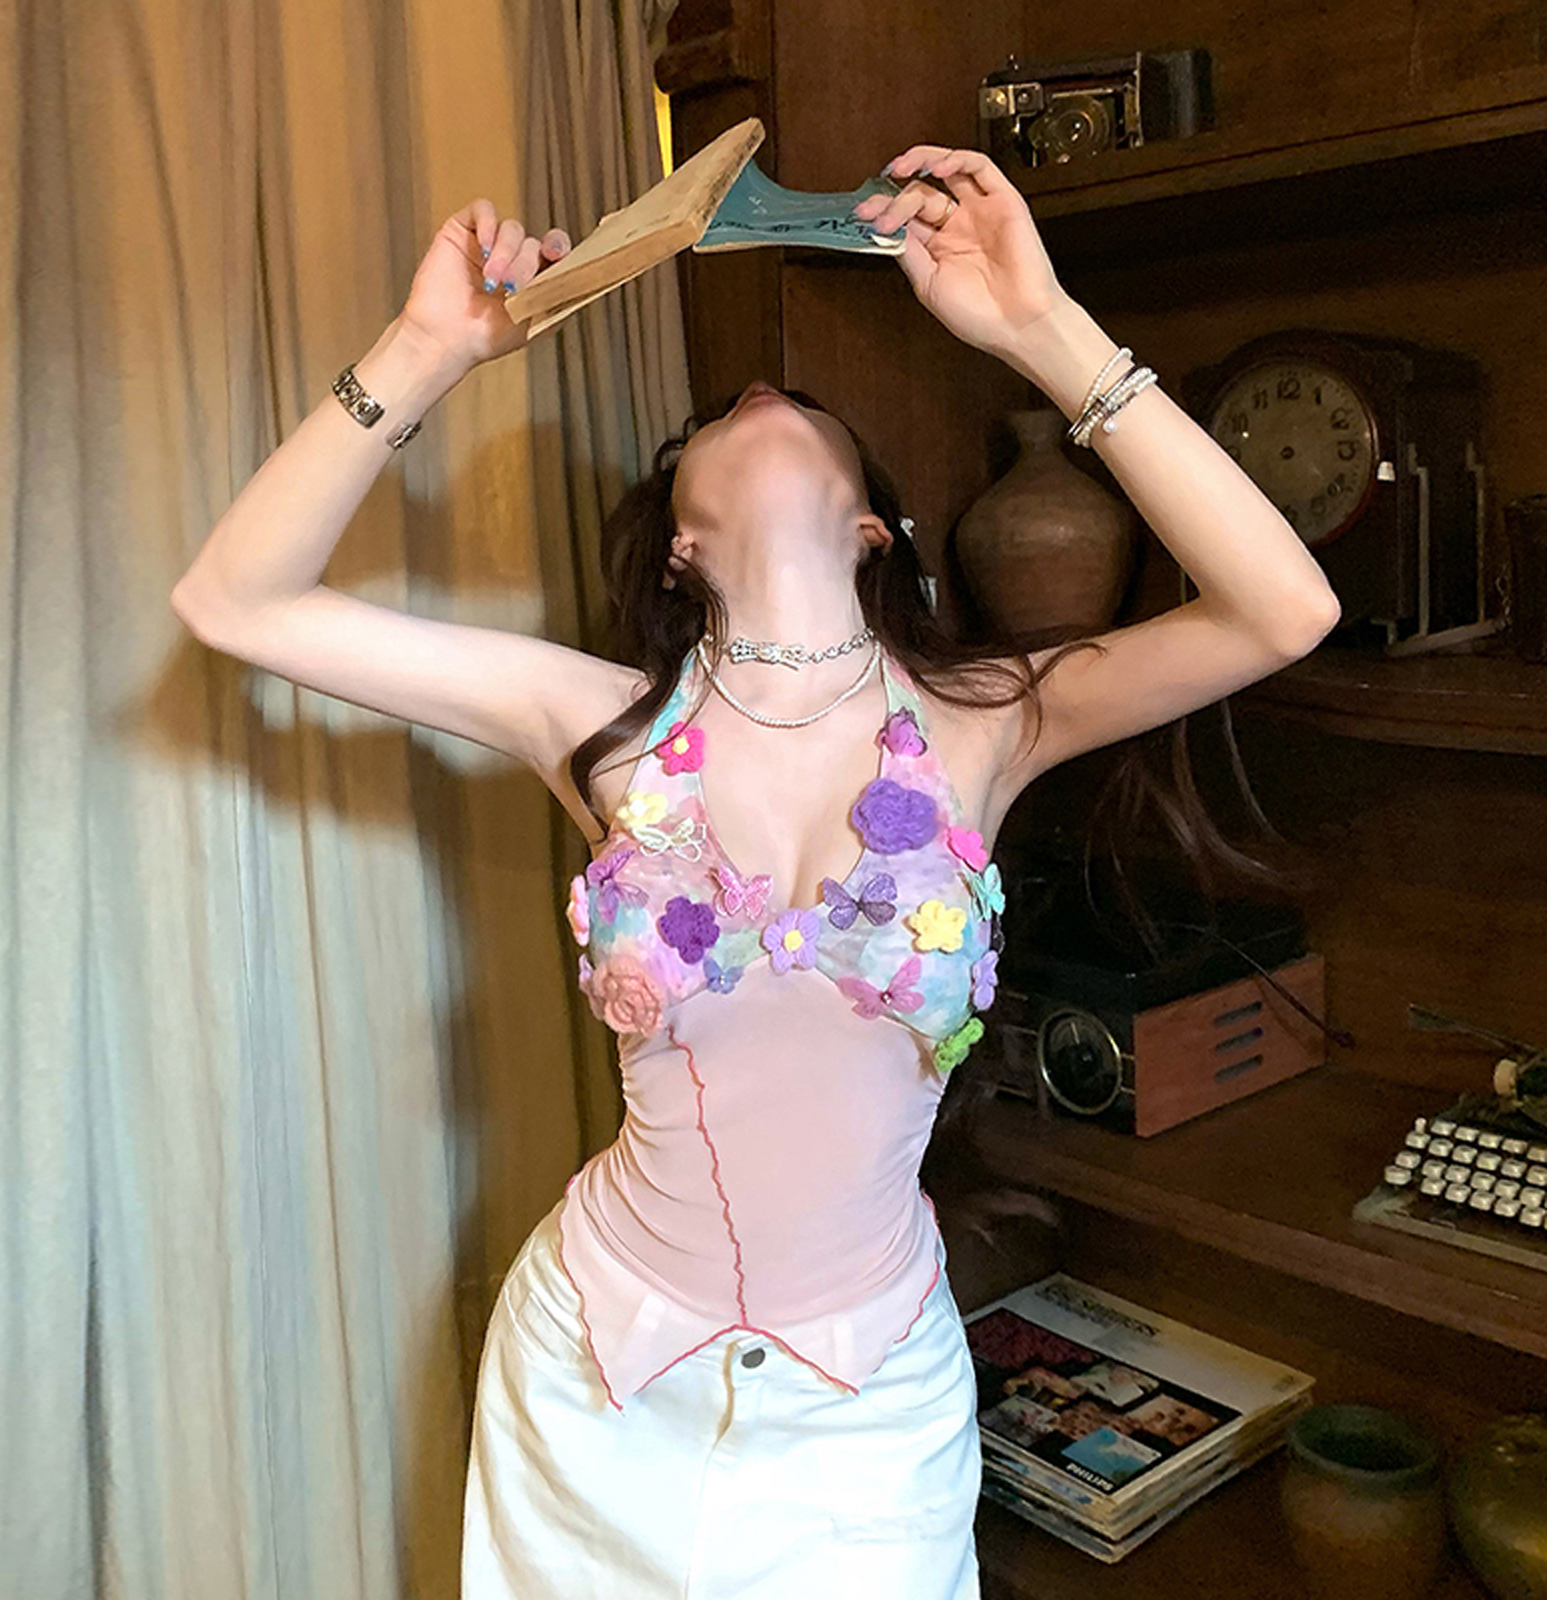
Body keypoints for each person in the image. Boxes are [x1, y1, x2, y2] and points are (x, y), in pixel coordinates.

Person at [171, 143, 1340, 1598]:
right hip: (593, 1378)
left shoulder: (989, 721)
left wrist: (1044, 329)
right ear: (681, 543)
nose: (761, 394)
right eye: (718, 414)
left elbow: (1283, 608)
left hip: (868, 1418)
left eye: (800, 409)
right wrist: (425, 348)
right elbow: (235, 600)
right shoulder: (597, 725)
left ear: (871, 527)